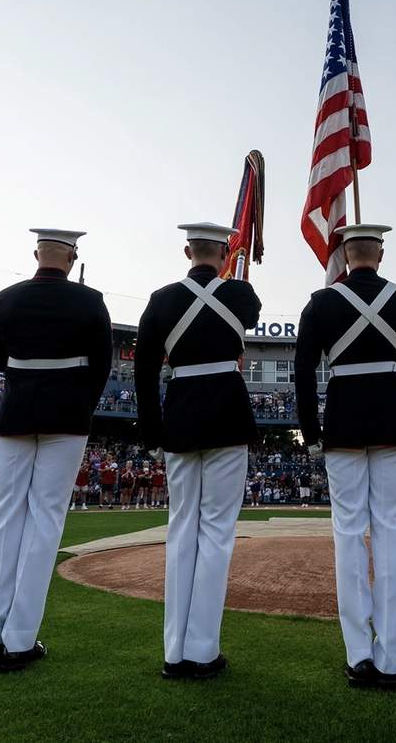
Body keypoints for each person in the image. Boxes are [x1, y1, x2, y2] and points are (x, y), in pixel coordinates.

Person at [0, 228, 112, 673]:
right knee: (46, 520)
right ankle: (19, 639)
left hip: (16, 413)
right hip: (68, 416)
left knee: (4, 516)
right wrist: (80, 404)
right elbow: (103, 365)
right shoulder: (91, 301)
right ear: (72, 258)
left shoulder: (6, 297)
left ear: (37, 254)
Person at [294, 222, 396, 690]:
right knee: (391, 535)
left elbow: (303, 371)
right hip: (391, 422)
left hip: (342, 425)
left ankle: (358, 656)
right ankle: (394, 660)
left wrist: (310, 432)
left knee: (348, 536)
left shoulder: (322, 302)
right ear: (381, 255)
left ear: (344, 258)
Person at [134, 222, 261, 682]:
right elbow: (249, 312)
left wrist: (151, 431)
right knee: (217, 534)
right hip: (227, 414)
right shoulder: (240, 294)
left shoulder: (161, 299)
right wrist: (238, 275)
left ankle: (174, 652)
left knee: (181, 528)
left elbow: (145, 372)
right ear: (224, 254)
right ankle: (203, 649)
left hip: (181, 416)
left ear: (187, 251)